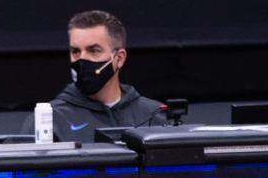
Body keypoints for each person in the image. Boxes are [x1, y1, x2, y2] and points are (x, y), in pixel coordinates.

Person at [23, 10, 165, 143]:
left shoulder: (154, 115)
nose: (82, 59)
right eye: (75, 51)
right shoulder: (49, 121)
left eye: (94, 50)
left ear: (119, 58)